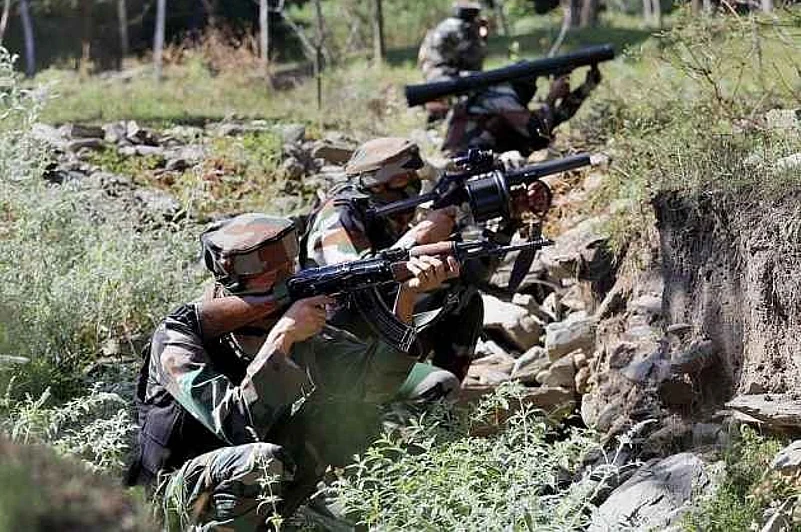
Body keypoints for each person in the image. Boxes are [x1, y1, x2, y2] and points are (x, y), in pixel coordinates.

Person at [126, 212, 458, 530]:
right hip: (169, 500)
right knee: (259, 460)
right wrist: (282, 338)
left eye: (289, 267)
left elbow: (374, 384)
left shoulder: (303, 328)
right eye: (271, 274)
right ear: (233, 281)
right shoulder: (179, 338)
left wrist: (406, 298)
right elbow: (238, 426)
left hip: (254, 492)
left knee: (340, 412)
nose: (287, 279)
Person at [301, 137, 486, 388]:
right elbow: (353, 282)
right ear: (376, 185)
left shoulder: (382, 211)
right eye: (401, 180)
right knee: (439, 383)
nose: (412, 185)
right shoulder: (338, 214)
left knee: (462, 296)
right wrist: (418, 237)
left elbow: (474, 273)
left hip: (374, 324)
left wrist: (504, 224)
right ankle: (401, 398)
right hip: (334, 346)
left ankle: (435, 400)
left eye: (414, 176)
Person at [441, 65, 603, 157]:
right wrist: (551, 98)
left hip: (474, 155)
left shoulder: (500, 98)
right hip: (463, 158)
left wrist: (586, 88)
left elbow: (551, 121)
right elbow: (537, 130)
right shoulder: (500, 96)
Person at [418, 0, 489, 121]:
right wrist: (482, 36)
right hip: (445, 77)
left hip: (431, 73)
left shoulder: (444, 25)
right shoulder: (464, 28)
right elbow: (475, 61)